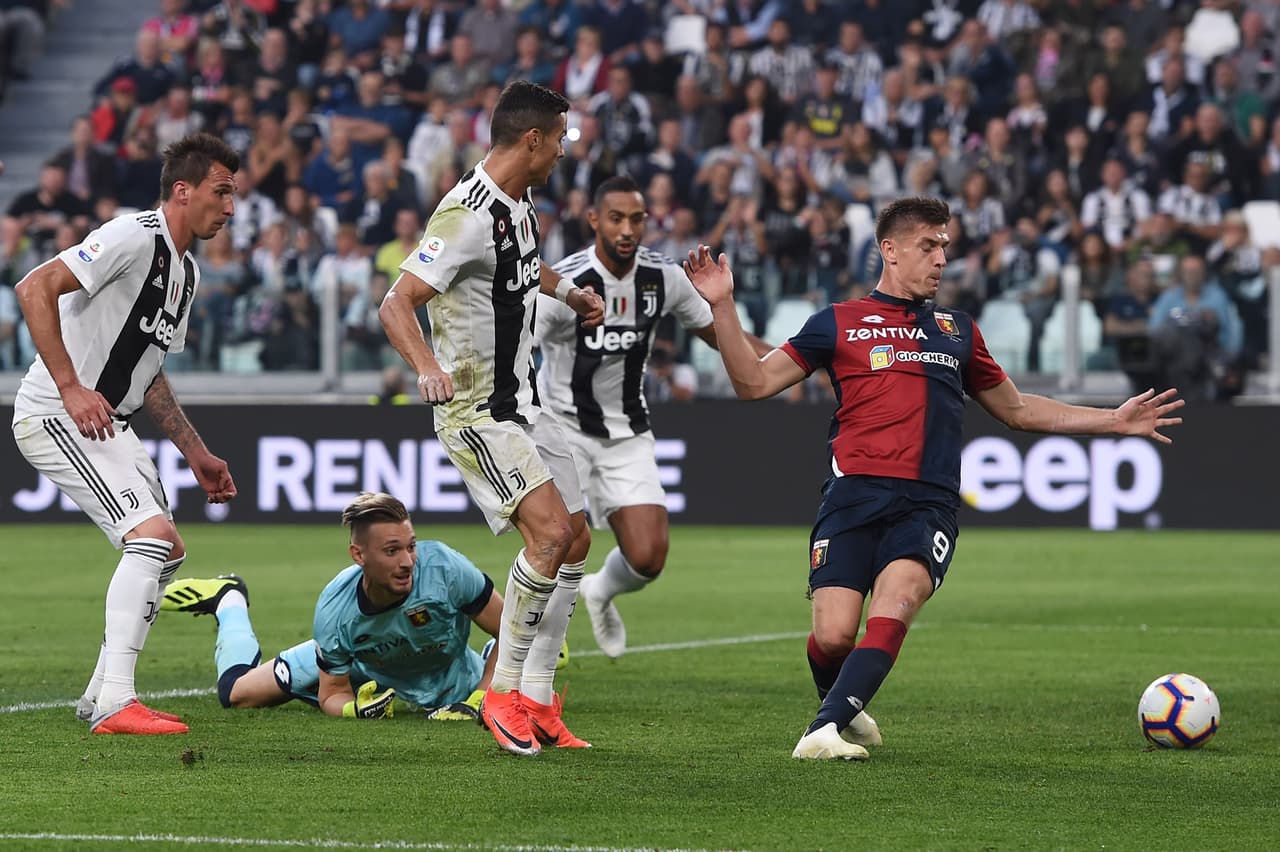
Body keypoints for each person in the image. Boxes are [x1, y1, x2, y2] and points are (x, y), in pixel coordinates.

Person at [683, 196, 1185, 761]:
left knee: (898, 599)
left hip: (927, 503)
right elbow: (752, 383)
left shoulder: (958, 331)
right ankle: (844, 703)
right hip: (852, 495)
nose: (941, 258)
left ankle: (821, 732)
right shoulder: (837, 323)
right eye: (928, 245)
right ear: (889, 251)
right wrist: (723, 306)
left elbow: (1017, 410)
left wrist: (1111, 420)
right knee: (833, 638)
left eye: (945, 245)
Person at [378, 81, 605, 756]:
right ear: (531, 139)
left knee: (578, 540)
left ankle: (536, 697)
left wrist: (570, 291)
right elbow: (398, 303)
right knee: (548, 536)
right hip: (476, 409)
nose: (564, 151)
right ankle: (500, 691)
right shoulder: (466, 213)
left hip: (523, 402)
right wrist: (425, 365)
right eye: (560, 138)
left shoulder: (518, 202)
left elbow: (522, 268)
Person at [10, 134, 240, 735]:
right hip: (58, 413)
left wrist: (196, 452)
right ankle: (117, 700)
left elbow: (150, 368)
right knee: (152, 537)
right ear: (183, 191)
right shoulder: (132, 235)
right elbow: (33, 287)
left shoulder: (185, 272)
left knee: (170, 552)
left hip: (106, 420)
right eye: (222, 191)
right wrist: (69, 388)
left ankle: (98, 694)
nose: (231, 207)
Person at [537, 175, 770, 658]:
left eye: (636, 219)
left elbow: (720, 335)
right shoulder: (567, 282)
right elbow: (518, 347)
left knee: (648, 556)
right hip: (563, 431)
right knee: (560, 544)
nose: (627, 229)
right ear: (594, 220)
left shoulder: (663, 277)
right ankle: (540, 654)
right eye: (616, 218)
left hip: (627, 432)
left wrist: (792, 362)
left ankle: (600, 590)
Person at [160, 493, 503, 721]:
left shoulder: (444, 569)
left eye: (411, 546)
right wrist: (355, 709)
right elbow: (332, 695)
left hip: (452, 676)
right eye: (391, 551)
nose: (407, 562)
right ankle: (229, 598)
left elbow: (511, 628)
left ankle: (502, 656)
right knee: (236, 694)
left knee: (516, 648)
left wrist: (479, 700)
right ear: (359, 555)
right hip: (361, 667)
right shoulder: (336, 609)